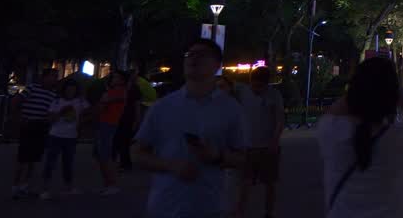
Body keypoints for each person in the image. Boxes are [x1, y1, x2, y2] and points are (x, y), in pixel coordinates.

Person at [133, 38, 246, 218]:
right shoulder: (162, 107)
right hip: (165, 206)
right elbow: (138, 153)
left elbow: (243, 158)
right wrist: (170, 165)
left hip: (211, 206)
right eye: (189, 55)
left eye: (202, 55)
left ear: (217, 65)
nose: (194, 58)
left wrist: (216, 156)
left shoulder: (231, 109)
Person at [317, 56, 403, 218]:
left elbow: (334, 111)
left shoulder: (332, 130)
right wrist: (398, 95)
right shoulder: (397, 139)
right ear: (392, 97)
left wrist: (359, 86)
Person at [234, 67, 284, 218]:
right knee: (245, 183)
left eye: (259, 86)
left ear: (266, 84)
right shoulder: (243, 92)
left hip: (267, 146)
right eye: (253, 85)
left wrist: (274, 141)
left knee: (270, 183)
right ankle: (239, 213)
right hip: (247, 146)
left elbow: (279, 120)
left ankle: (269, 213)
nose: (256, 89)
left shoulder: (274, 95)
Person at [11, 68, 57, 200]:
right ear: (44, 77)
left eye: (55, 77)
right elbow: (16, 100)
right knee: (23, 158)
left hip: (41, 126)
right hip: (28, 124)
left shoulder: (52, 95)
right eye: (52, 76)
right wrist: (17, 117)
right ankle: (15, 187)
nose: (53, 79)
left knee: (34, 158)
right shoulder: (32, 88)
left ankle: (24, 186)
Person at [40, 78, 88, 199]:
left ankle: (69, 186)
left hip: (71, 136)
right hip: (55, 135)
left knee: (68, 163)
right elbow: (50, 119)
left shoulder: (81, 101)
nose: (70, 92)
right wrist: (60, 113)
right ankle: (45, 188)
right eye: (68, 89)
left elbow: (89, 113)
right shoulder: (57, 102)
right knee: (50, 162)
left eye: (73, 90)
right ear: (64, 90)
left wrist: (81, 123)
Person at [94, 71, 128, 196]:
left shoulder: (118, 91)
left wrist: (103, 100)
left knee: (105, 156)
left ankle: (111, 184)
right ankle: (108, 184)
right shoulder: (116, 91)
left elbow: (102, 106)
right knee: (103, 156)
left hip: (107, 124)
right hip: (107, 123)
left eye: (116, 77)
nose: (113, 79)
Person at [115, 70, 145, 173]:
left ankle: (125, 164)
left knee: (124, 141)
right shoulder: (119, 88)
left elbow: (137, 105)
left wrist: (137, 119)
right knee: (119, 140)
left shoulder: (134, 88)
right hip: (118, 117)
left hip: (128, 117)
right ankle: (122, 163)